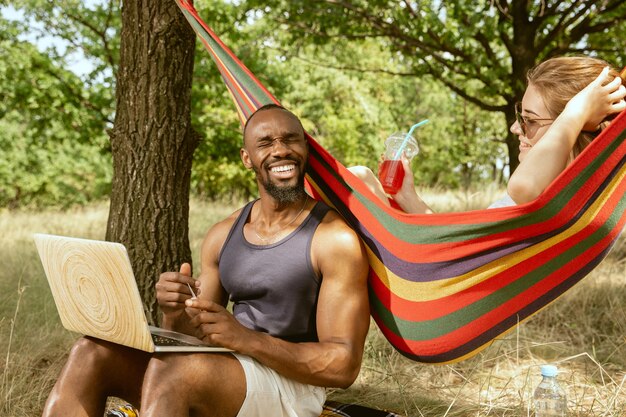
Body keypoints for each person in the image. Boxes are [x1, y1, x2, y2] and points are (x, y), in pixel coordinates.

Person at [41, 104, 370, 417]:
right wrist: (175, 310)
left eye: (290, 139)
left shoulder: (333, 239)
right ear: (247, 158)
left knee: (176, 371)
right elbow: (193, 336)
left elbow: (343, 365)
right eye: (266, 142)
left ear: (306, 149)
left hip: (294, 387)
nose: (280, 150)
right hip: (229, 367)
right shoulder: (223, 234)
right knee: (91, 352)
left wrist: (247, 339)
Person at [349, 56, 626, 211]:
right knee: (358, 178)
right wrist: (407, 197)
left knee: (353, 183)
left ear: (571, 124)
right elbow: (449, 254)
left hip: (451, 303)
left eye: (528, 119)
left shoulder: (547, 195)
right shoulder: (554, 195)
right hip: (441, 285)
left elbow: (524, 187)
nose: (515, 128)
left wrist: (576, 112)